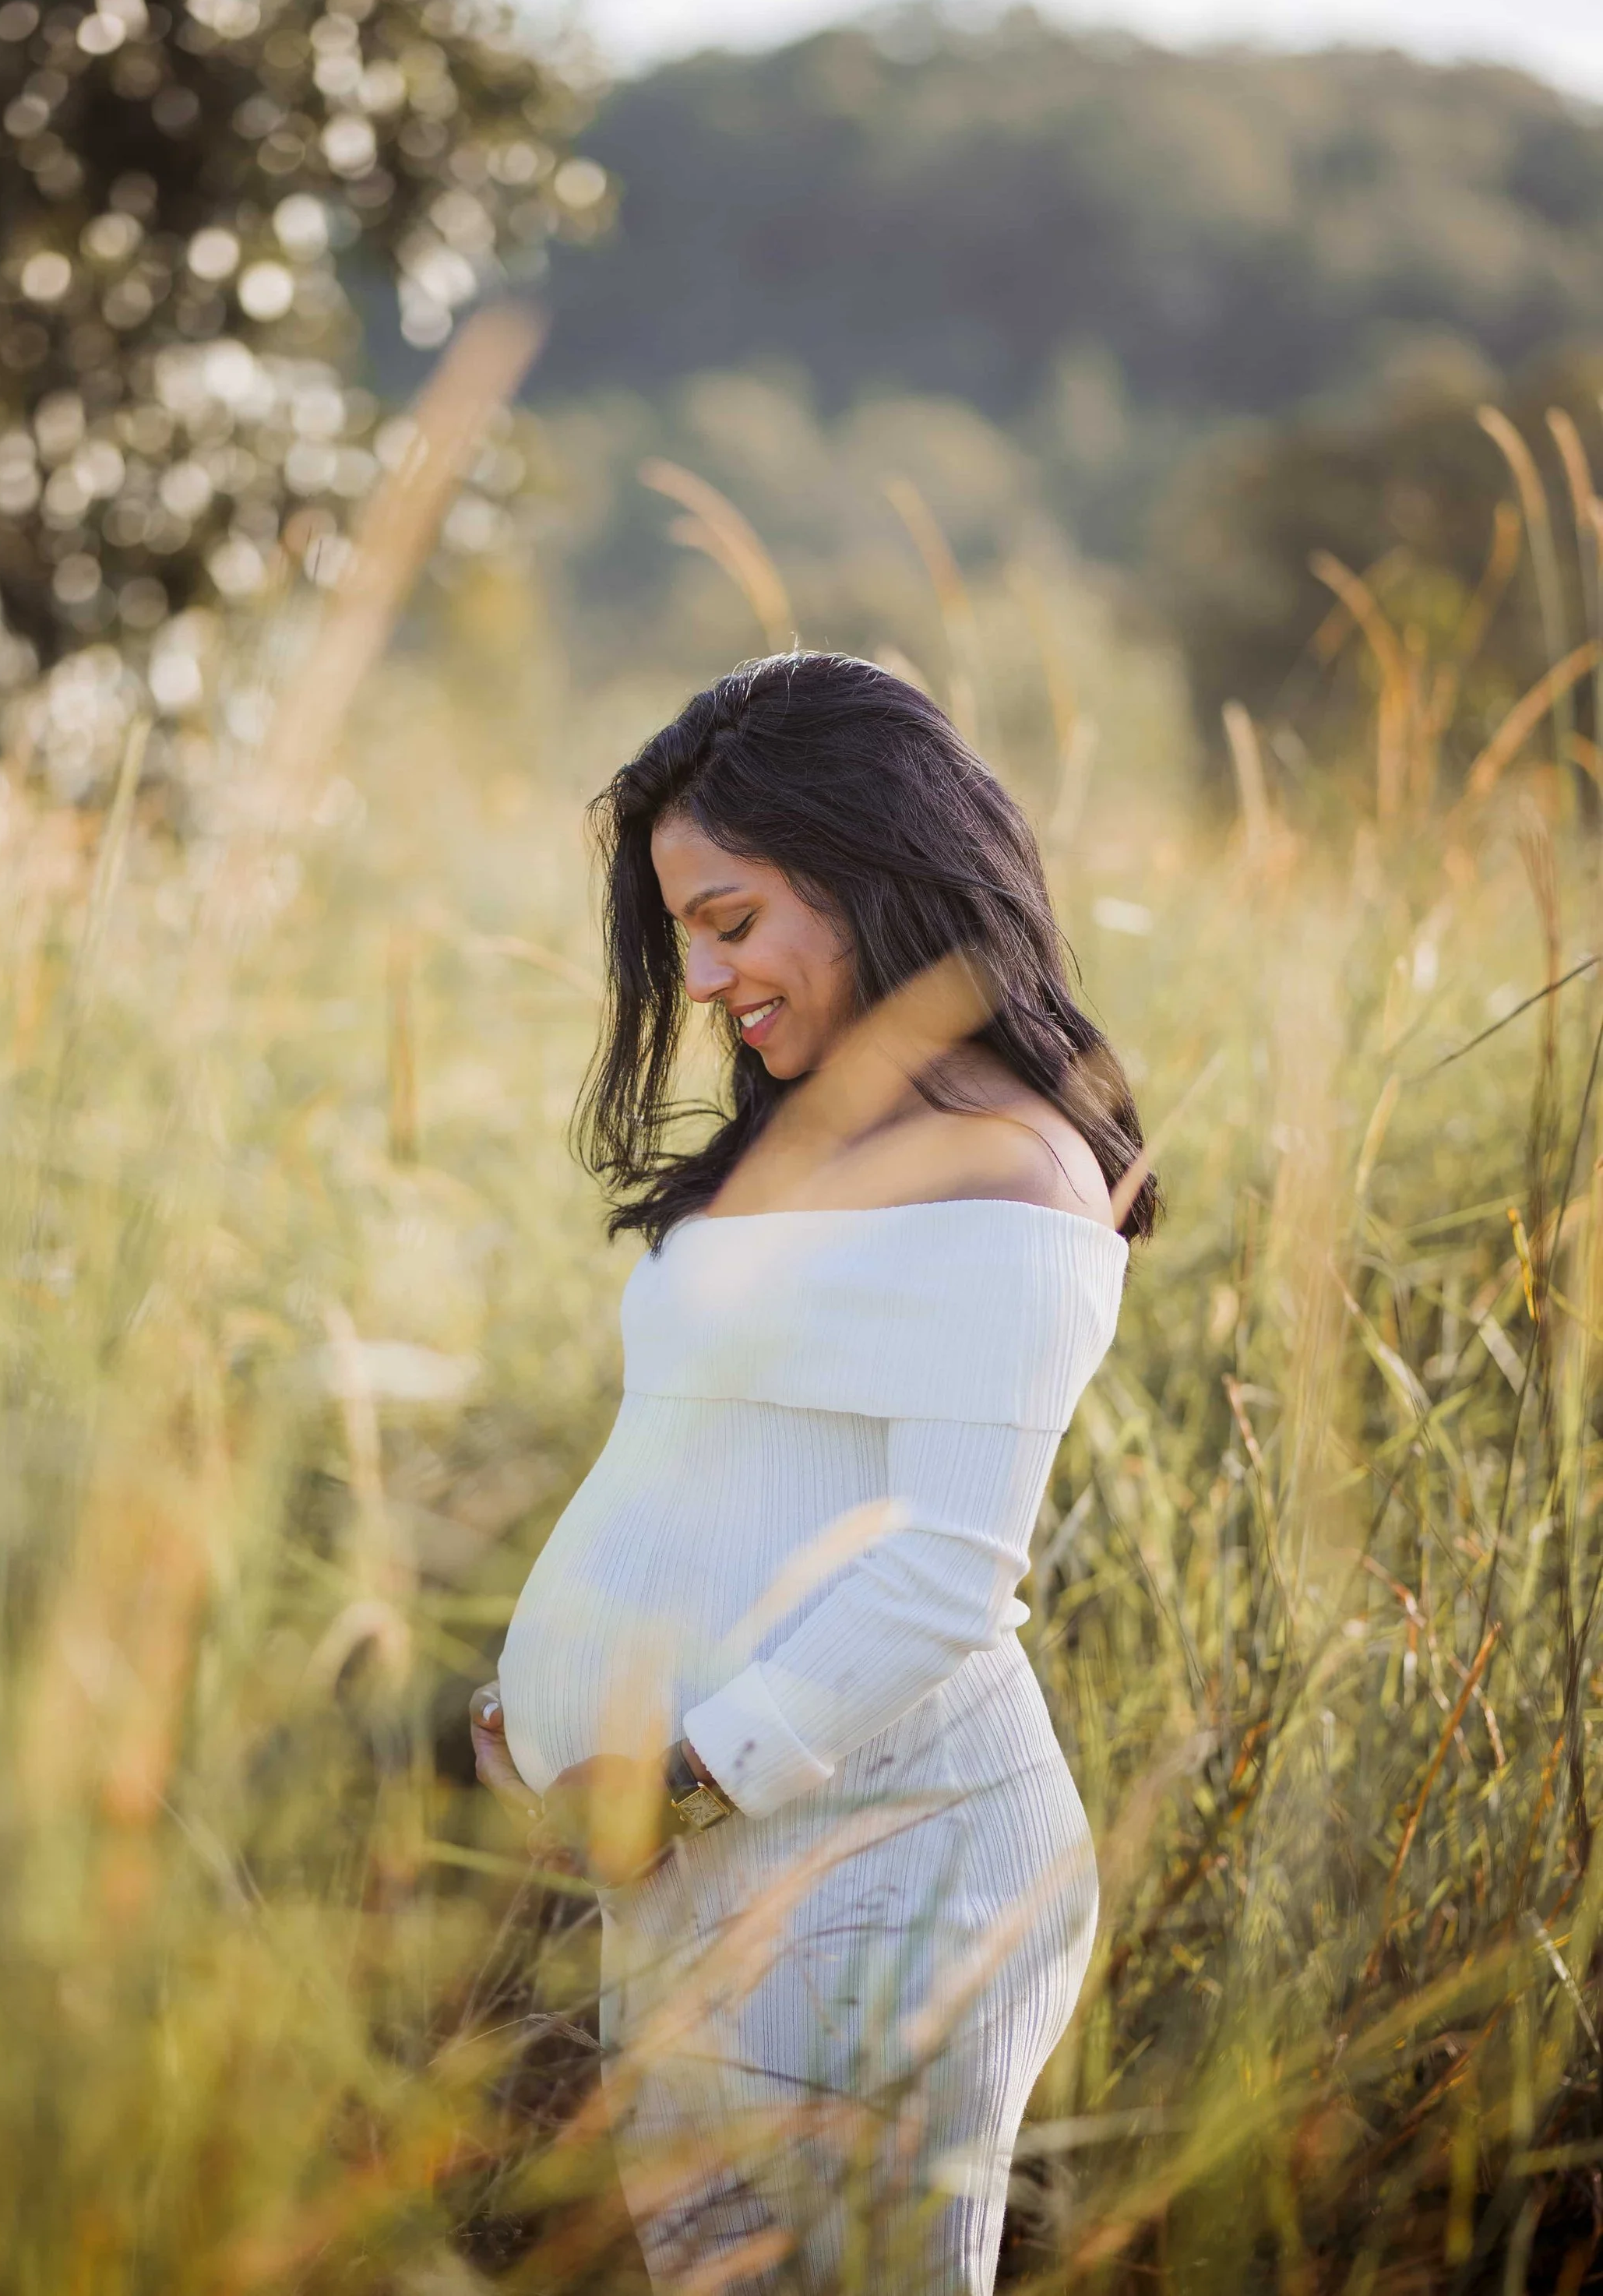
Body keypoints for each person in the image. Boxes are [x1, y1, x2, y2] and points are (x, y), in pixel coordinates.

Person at [471, 652, 1154, 2292]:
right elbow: (724, 1456)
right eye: (680, 934)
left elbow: (939, 1574)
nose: (701, 977)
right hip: (726, 1860)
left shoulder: (1010, 1170)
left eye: (731, 919)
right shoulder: (821, 1130)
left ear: (867, 868)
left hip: (879, 1863)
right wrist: (551, 1708)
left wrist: (672, 1783)